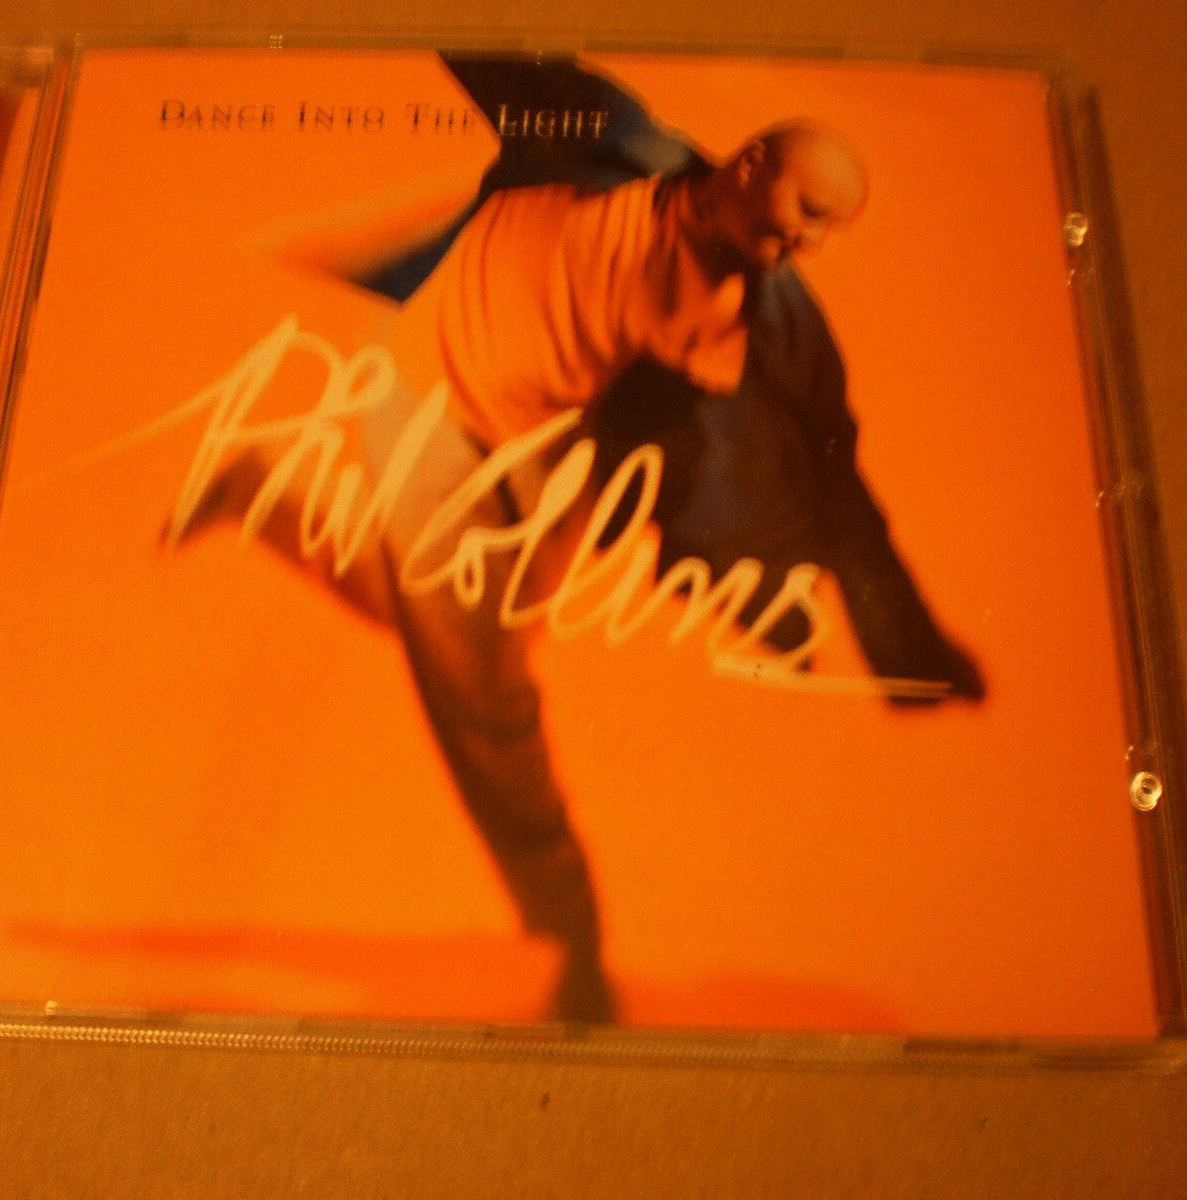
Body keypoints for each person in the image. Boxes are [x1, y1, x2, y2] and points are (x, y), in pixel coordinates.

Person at [174, 72, 982, 1023]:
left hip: (556, 454)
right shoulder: (610, 135)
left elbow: (839, 480)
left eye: (831, 229)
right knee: (490, 707)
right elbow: (504, 51)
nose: (810, 243)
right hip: (427, 404)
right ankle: (572, 940)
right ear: (752, 163)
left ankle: (259, 492)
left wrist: (906, 647)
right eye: (807, 211)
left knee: (458, 635)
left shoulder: (777, 319)